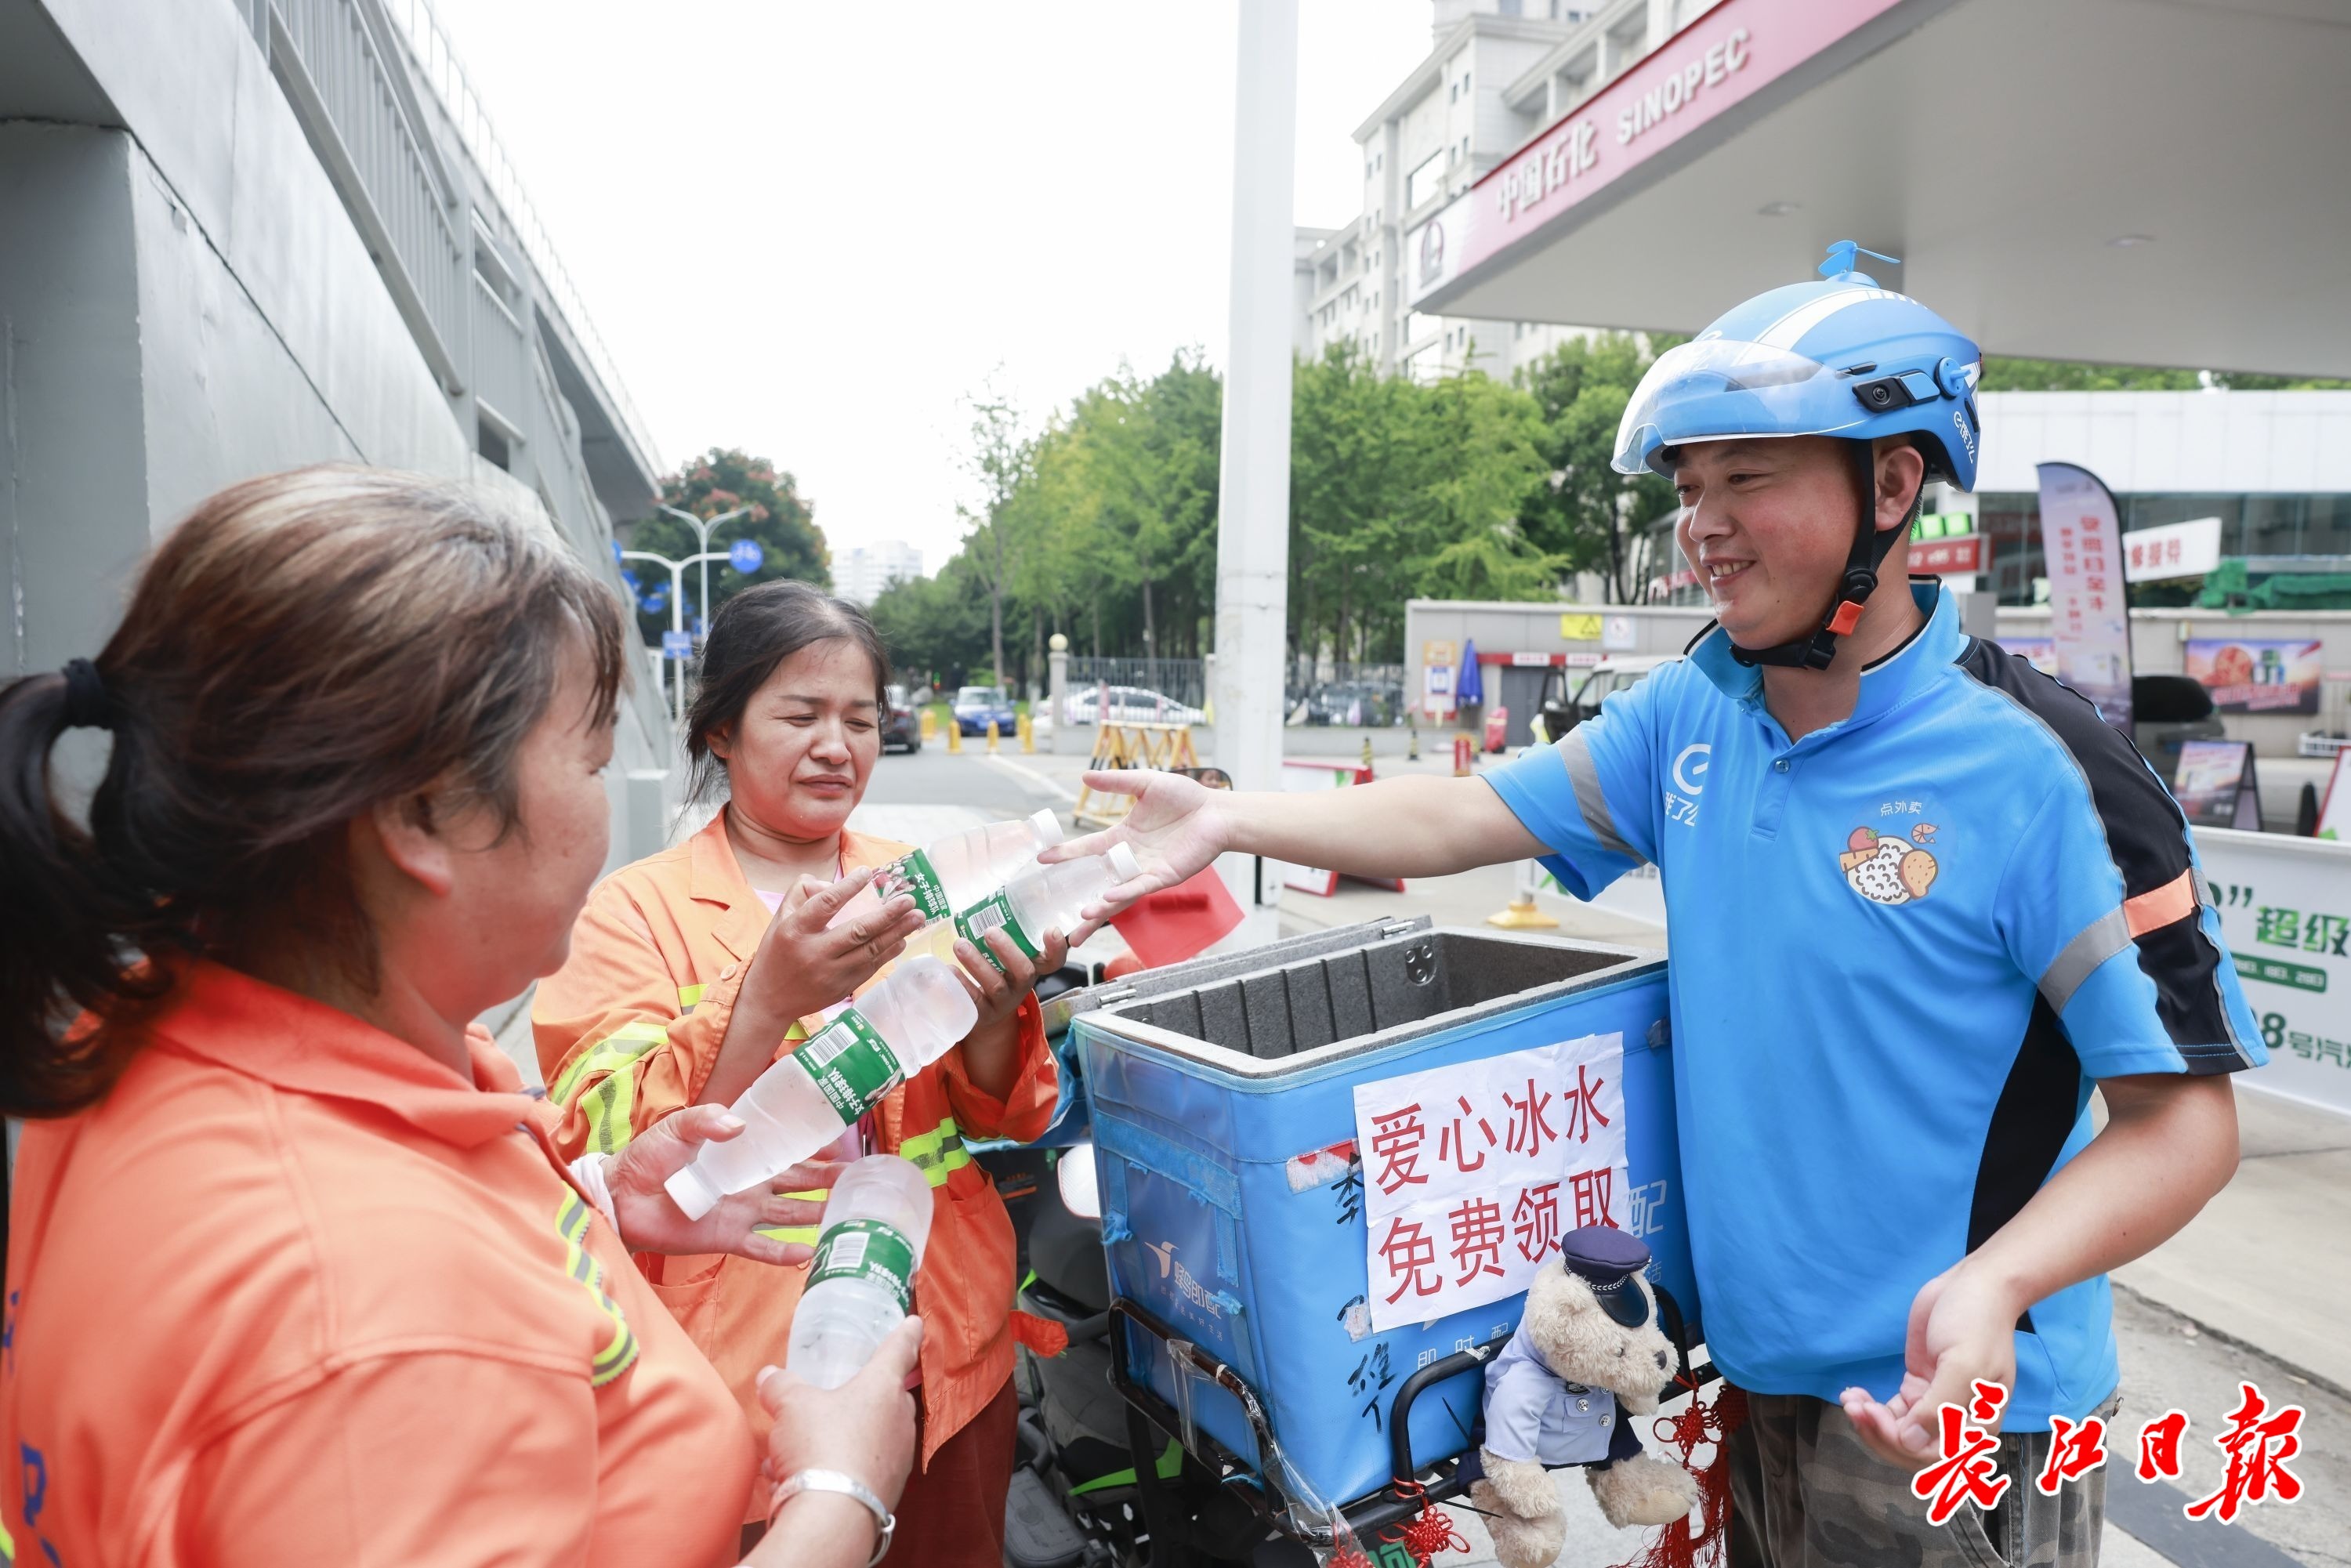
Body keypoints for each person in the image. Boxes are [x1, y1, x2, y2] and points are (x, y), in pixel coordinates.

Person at [1055, 246, 2264, 1568]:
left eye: (1748, 476)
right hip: (1759, 1380)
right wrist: (1232, 819)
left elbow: (2184, 1121)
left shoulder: (2049, 770)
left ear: (1894, 484)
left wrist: (1999, 1282)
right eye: (1692, 487)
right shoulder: (1699, 712)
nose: (1704, 524)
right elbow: (1466, 814)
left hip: (1962, 1415)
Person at [0, 467, 922, 1567]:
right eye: (587, 760)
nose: (604, 806)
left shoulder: (161, 1036)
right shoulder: (372, 1312)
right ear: (422, 815)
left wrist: (597, 1204)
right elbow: (392, 1345)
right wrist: (838, 1496)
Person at [533, 580, 1065, 1566]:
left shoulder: (923, 882)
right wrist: (764, 999)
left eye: (861, 719)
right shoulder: (630, 914)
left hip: (942, 1349)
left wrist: (996, 1016)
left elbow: (1008, 1111)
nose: (838, 745)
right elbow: (594, 1141)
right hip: (748, 1374)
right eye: (802, 714)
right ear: (722, 731)